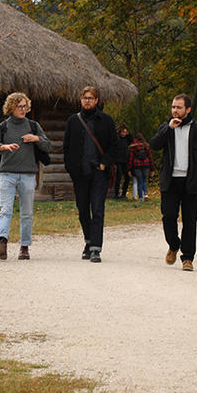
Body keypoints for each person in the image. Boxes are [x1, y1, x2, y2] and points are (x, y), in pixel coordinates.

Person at [149, 94, 197, 270]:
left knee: (190, 220)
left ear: (188, 110)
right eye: (173, 107)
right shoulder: (166, 127)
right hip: (170, 181)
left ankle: (188, 258)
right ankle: (174, 245)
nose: (175, 110)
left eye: (178, 107)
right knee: (168, 216)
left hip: (190, 181)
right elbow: (154, 145)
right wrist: (168, 129)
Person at [63, 85, 126, 262]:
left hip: (99, 172)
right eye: (85, 98)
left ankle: (96, 248)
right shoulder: (73, 121)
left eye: (91, 98)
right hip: (80, 172)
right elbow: (66, 147)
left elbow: (114, 146)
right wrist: (71, 168)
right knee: (83, 209)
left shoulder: (106, 120)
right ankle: (88, 242)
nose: (87, 101)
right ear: (81, 100)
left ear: (96, 100)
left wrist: (105, 164)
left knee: (97, 209)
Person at [0, 92, 51, 260]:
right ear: (11, 108)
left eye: (25, 106)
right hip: (7, 174)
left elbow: (48, 145)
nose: (23, 110)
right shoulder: (2, 127)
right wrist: (4, 147)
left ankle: (24, 247)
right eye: (19, 106)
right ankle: (2, 242)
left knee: (27, 212)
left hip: (28, 175)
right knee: (6, 210)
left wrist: (35, 138)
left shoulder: (33, 125)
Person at [128, 133, 154, 200]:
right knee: (144, 181)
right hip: (146, 164)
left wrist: (129, 169)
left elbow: (131, 158)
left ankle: (140, 197)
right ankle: (145, 194)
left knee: (139, 181)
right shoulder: (146, 146)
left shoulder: (133, 147)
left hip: (137, 165)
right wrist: (152, 169)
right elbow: (150, 157)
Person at [112, 125, 133, 199]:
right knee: (119, 176)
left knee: (127, 177)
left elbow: (131, 140)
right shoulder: (117, 138)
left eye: (125, 132)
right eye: (123, 132)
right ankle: (116, 194)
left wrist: (128, 133)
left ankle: (124, 194)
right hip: (118, 160)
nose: (124, 134)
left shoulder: (126, 139)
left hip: (125, 160)